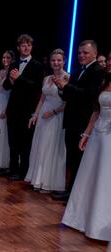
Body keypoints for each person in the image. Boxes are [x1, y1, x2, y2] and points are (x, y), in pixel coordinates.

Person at [62, 73, 111, 252]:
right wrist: (86, 133)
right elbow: (96, 111)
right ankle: (82, 218)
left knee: (104, 179)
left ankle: (99, 225)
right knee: (89, 177)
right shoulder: (105, 82)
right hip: (98, 134)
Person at [52, 40, 105, 202]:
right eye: (79, 53)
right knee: (72, 159)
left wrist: (66, 86)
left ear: (95, 53)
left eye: (85, 53)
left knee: (80, 160)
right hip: (71, 120)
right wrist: (61, 89)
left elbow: (89, 95)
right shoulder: (76, 71)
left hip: (84, 121)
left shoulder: (98, 72)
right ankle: (69, 190)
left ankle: (76, 195)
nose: (81, 55)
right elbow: (68, 96)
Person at [24, 49, 68, 192]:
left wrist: (53, 112)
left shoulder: (67, 77)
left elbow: (67, 103)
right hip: (43, 116)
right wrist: (35, 114)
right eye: (53, 60)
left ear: (64, 61)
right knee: (40, 146)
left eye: (59, 60)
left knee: (50, 148)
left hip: (56, 116)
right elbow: (42, 99)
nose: (56, 63)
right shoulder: (47, 78)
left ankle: (48, 182)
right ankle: (38, 179)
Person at [2, 34, 44, 181]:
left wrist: (19, 78)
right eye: (23, 45)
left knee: (25, 142)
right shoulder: (13, 64)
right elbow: (6, 86)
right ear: (18, 47)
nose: (26, 47)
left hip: (27, 109)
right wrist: (11, 80)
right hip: (13, 108)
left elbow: (37, 87)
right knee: (12, 141)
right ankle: (12, 169)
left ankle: (23, 171)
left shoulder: (37, 65)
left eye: (28, 45)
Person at [0, 50, 14, 172]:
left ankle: (3, 161)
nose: (5, 60)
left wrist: (6, 110)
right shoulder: (0, 71)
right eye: (3, 57)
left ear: (12, 59)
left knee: (4, 132)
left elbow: (12, 93)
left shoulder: (12, 73)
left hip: (6, 103)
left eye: (8, 57)